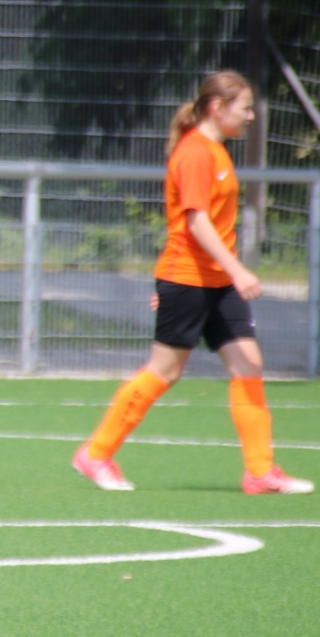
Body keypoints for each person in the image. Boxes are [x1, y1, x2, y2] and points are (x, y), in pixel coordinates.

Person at [73, 71, 313, 495]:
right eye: (245, 108)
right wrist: (237, 271)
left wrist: (228, 275)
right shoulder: (195, 153)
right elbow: (196, 223)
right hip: (189, 279)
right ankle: (96, 454)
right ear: (218, 108)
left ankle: (260, 472)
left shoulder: (215, 151)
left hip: (217, 283)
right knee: (164, 372)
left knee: (248, 364)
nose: (251, 116)